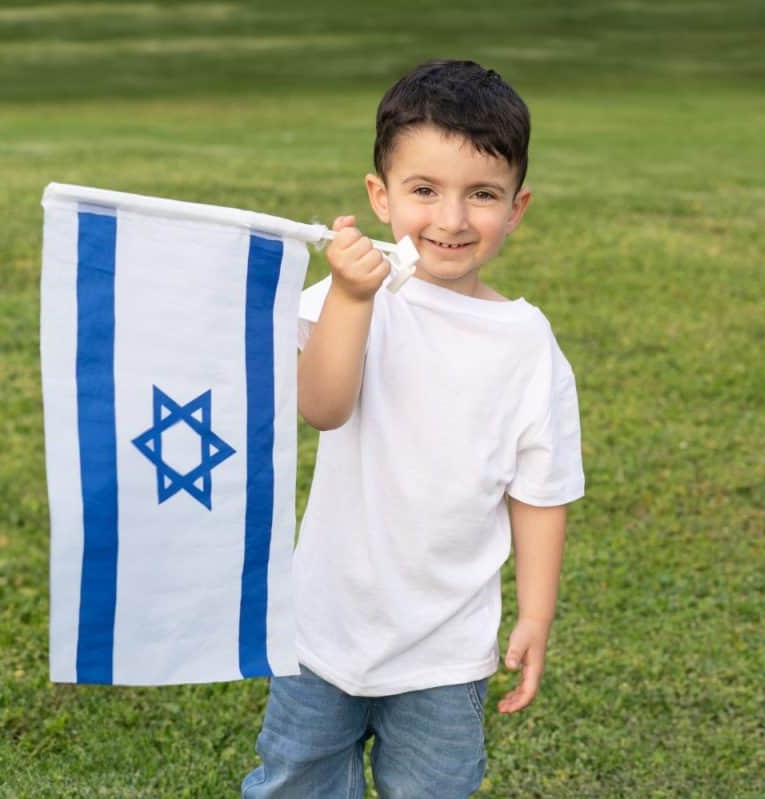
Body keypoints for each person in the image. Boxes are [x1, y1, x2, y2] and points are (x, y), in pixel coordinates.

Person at [242, 59, 585, 798]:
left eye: (482, 195)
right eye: (424, 190)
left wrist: (538, 611)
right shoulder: (355, 293)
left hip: (447, 646)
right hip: (325, 628)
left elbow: (541, 488)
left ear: (517, 206)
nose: (453, 220)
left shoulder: (527, 343)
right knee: (296, 780)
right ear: (381, 195)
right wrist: (354, 298)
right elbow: (323, 405)